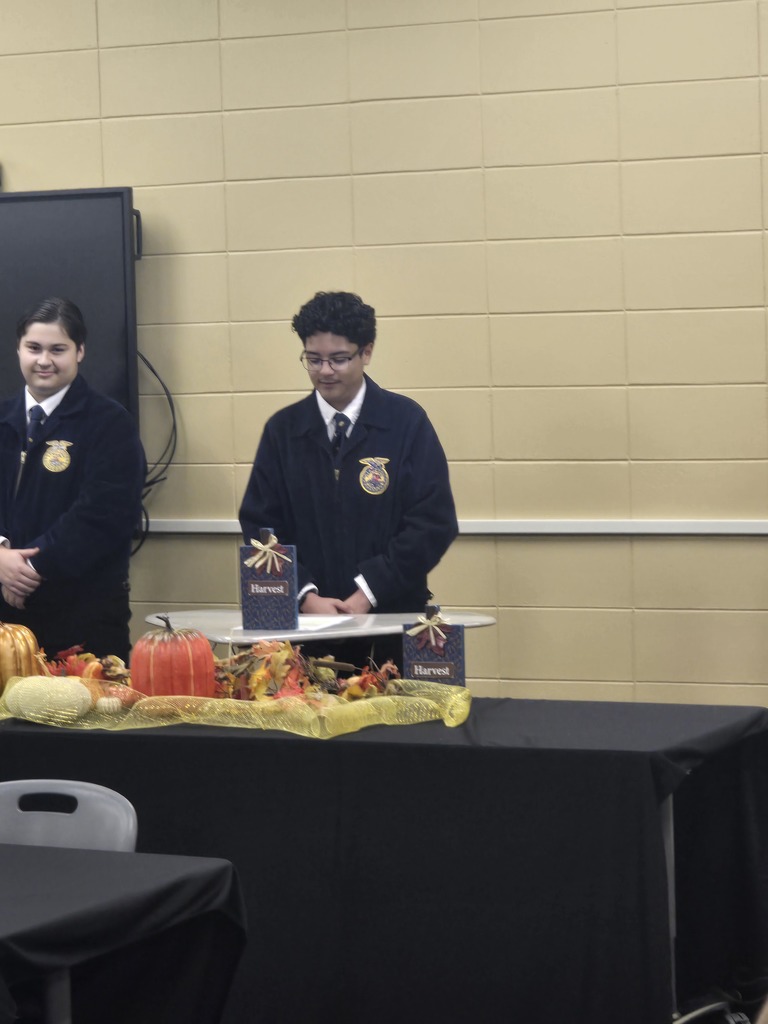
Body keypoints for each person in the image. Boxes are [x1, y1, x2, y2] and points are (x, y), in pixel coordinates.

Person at [239, 290, 458, 637]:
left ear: (366, 352)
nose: (325, 371)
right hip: (304, 629)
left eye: (338, 359)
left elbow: (433, 523)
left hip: (389, 621)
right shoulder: (283, 430)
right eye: (313, 359)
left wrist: (368, 592)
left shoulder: (406, 422)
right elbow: (261, 527)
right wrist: (304, 593)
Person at [0, 297, 146, 662]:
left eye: (58, 349)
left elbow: (103, 515)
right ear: (18, 349)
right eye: (33, 348)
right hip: (5, 625)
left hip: (83, 622)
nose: (44, 360)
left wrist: (30, 568)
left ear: (80, 352)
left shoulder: (110, 423)